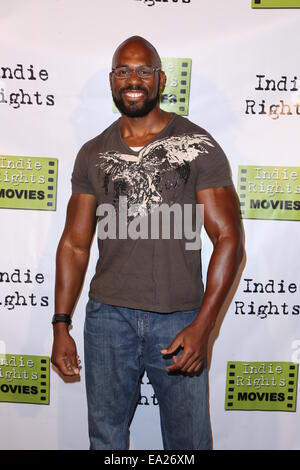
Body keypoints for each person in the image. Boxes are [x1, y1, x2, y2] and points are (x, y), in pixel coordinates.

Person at [51, 35, 243, 451]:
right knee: (105, 441)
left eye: (142, 70)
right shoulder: (92, 153)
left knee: (189, 444)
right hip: (107, 319)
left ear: (159, 78)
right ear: (111, 80)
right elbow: (74, 244)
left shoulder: (198, 146)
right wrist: (60, 324)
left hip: (179, 319)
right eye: (123, 71)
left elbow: (228, 238)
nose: (132, 79)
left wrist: (203, 327)